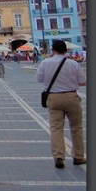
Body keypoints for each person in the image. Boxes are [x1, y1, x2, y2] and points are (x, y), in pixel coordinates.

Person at [36, 39, 86, 168]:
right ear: (66, 50)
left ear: (53, 50)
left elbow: (39, 79)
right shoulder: (73, 64)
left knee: (56, 128)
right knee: (76, 128)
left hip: (54, 97)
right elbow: (82, 82)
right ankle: (78, 156)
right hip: (71, 96)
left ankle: (59, 156)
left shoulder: (45, 63)